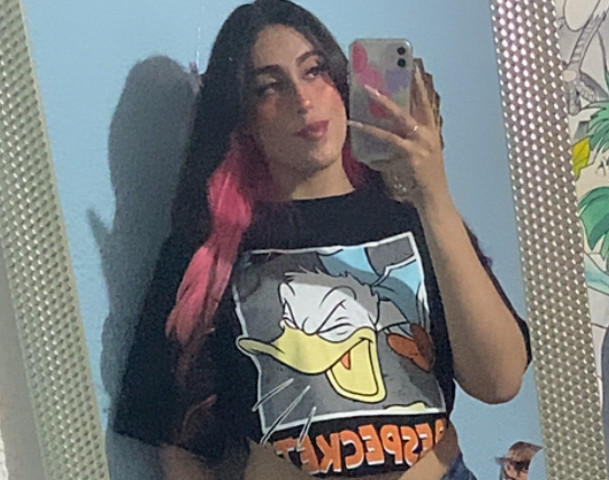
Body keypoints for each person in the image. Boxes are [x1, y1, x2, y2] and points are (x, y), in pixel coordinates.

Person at [113, 1, 531, 479]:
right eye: (269, 87)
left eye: (314, 71)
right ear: (242, 116)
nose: (303, 99)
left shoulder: (412, 216)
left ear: (341, 82)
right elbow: (176, 443)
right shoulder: (208, 250)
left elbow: (499, 381)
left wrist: (433, 195)